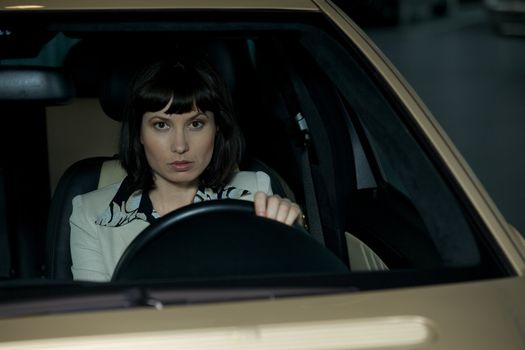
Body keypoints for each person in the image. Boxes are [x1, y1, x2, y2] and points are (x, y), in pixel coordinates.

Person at [70, 57, 304, 282]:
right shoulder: (91, 214)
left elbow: (285, 296)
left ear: (217, 128)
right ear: (139, 133)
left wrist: (292, 236)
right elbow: (95, 315)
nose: (180, 146)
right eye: (161, 125)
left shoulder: (254, 193)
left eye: (196, 124)